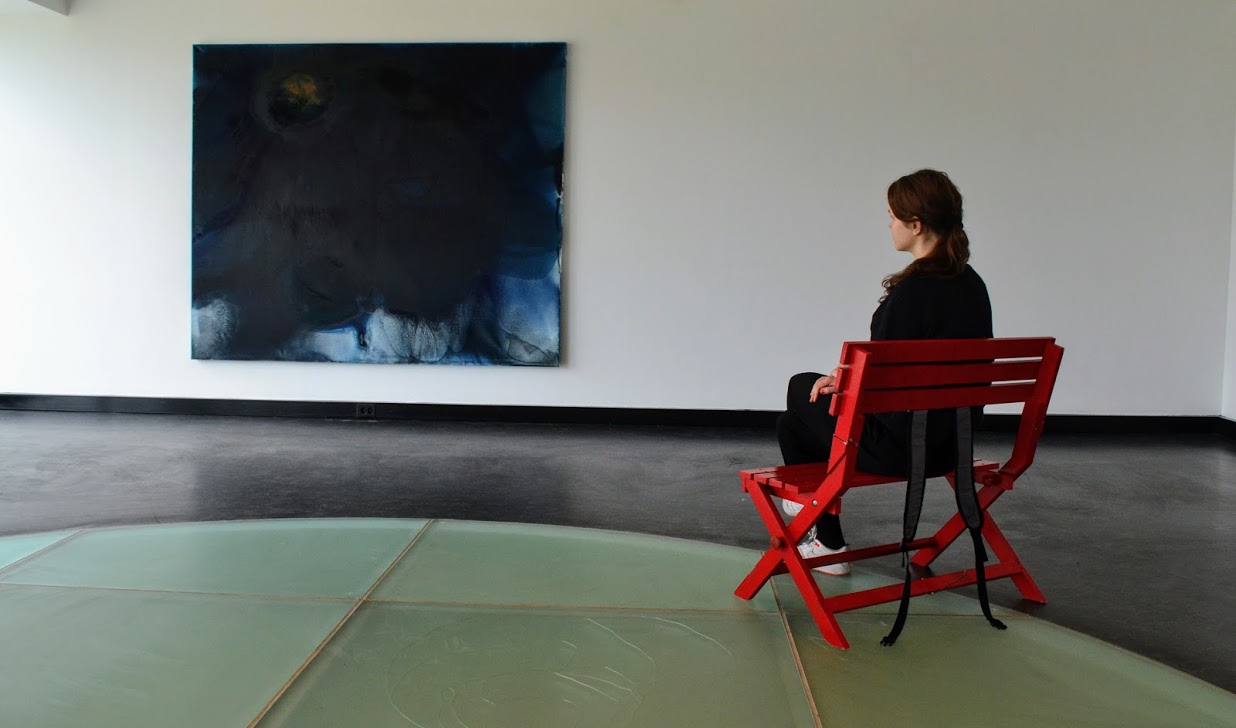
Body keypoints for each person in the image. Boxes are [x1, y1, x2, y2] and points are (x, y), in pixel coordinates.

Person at [776, 169, 993, 575]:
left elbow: (878, 392)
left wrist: (844, 381)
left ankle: (821, 527)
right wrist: (847, 378)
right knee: (792, 423)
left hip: (904, 449)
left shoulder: (911, 294)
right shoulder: (972, 285)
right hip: (953, 445)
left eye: (893, 216)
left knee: (800, 390)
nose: (889, 224)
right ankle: (824, 537)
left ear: (916, 224)